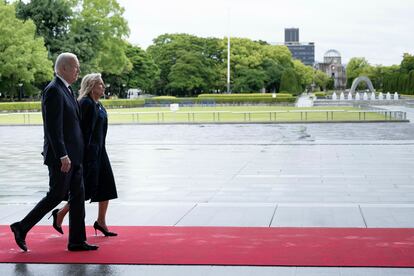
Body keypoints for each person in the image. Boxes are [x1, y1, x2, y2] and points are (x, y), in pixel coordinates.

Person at [10, 53, 98, 252]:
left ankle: (76, 241)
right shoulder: (53, 91)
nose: (78, 71)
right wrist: (62, 155)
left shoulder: (66, 89)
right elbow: (53, 128)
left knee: (77, 199)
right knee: (56, 195)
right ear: (64, 68)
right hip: (63, 158)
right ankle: (21, 227)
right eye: (75, 67)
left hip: (75, 157)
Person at [51, 73, 118, 237]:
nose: (103, 87)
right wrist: (82, 156)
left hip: (100, 152)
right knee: (84, 190)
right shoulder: (86, 103)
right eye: (100, 84)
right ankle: (60, 213)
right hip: (88, 155)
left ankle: (101, 221)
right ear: (91, 86)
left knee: (107, 186)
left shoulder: (99, 104)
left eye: (103, 84)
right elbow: (79, 132)